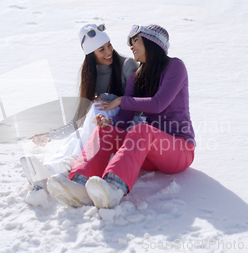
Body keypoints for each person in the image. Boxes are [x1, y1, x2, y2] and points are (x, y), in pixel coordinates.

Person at [47, 24, 196, 208]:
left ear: (151, 42)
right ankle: (79, 183)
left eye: (135, 41)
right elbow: (124, 118)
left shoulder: (175, 67)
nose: (131, 47)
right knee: (105, 132)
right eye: (130, 43)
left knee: (141, 130)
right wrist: (109, 122)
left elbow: (158, 104)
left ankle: (113, 188)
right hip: (148, 153)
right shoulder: (136, 77)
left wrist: (121, 100)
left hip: (179, 148)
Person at [20, 23, 141, 190]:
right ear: (91, 55)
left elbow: (139, 104)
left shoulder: (127, 65)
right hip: (101, 128)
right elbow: (79, 121)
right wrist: (50, 136)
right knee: (81, 129)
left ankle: (71, 162)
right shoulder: (90, 76)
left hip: (128, 126)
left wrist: (116, 101)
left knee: (100, 103)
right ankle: (49, 170)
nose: (108, 52)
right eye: (101, 50)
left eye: (109, 45)